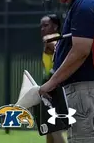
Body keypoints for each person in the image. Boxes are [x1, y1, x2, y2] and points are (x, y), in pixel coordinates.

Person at [37, 0, 94, 143]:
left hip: (84, 91)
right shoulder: (86, 1)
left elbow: (81, 51)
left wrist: (51, 83)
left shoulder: (85, 3)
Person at [36, 14, 66, 143]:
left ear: (55, 26)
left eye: (46, 25)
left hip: (52, 85)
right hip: (52, 83)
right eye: (41, 26)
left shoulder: (50, 39)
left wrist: (49, 40)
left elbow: (57, 49)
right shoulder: (61, 39)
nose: (42, 29)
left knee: (52, 126)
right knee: (49, 125)